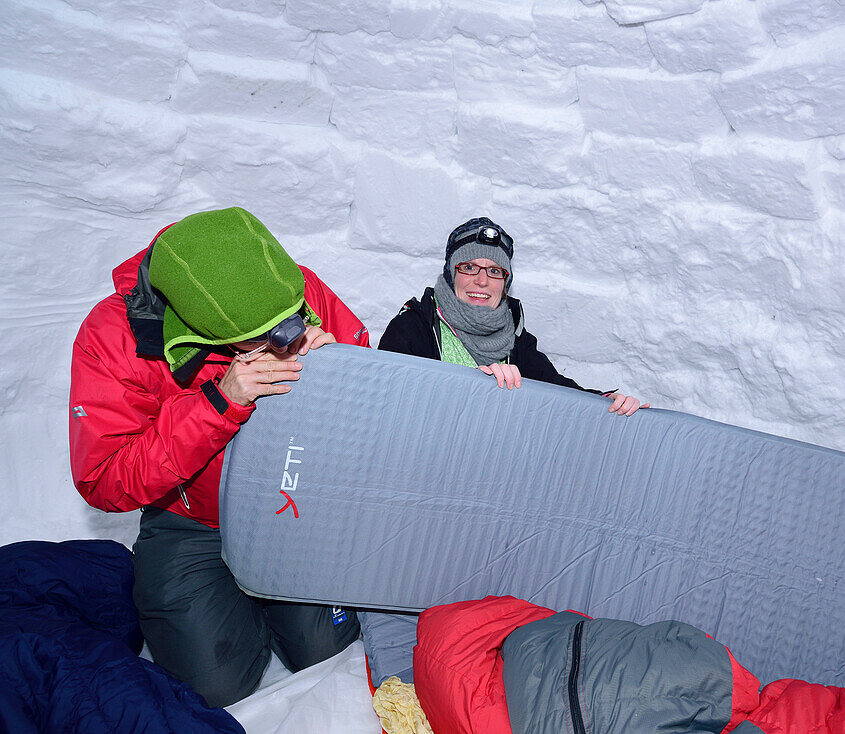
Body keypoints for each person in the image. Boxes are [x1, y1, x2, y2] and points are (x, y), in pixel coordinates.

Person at [68, 207, 370, 707]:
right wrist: (216, 403)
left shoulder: (287, 288)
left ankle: (268, 602)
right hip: (191, 522)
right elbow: (103, 479)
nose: (290, 335)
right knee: (213, 686)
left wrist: (341, 367)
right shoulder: (113, 339)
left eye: (294, 320)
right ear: (204, 333)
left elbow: (372, 404)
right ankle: (231, 602)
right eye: (268, 336)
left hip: (290, 505)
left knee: (329, 650)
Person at [378, 217, 648, 415]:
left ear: (505, 283)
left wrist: (608, 401)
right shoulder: (414, 327)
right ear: (452, 274)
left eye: (495, 271)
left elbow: (561, 393)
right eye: (469, 267)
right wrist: (473, 384)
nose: (482, 281)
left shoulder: (515, 338)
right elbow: (387, 400)